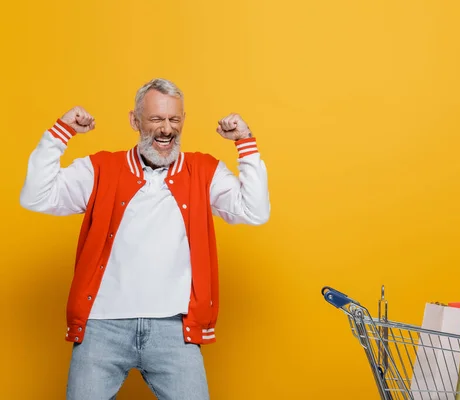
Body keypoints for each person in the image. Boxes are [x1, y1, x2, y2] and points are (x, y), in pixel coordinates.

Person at [19, 78, 271, 399]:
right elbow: (36, 196)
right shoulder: (100, 168)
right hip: (102, 328)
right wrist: (59, 135)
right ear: (135, 121)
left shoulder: (204, 171)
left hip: (175, 330)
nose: (166, 129)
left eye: (174, 119)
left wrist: (245, 143)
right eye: (155, 119)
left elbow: (254, 211)